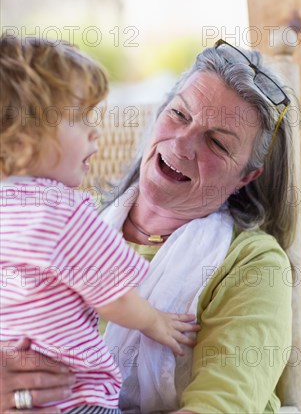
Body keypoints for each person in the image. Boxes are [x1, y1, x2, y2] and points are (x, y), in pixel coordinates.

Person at [0, 38, 299, 414]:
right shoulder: (56, 225)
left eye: (218, 144)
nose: (183, 144)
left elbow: (219, 408)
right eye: (179, 115)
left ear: (246, 176)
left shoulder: (252, 263)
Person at [0, 34, 199, 414]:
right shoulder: (63, 210)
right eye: (78, 118)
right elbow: (113, 295)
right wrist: (155, 322)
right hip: (75, 398)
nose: (95, 131)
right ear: (25, 145)